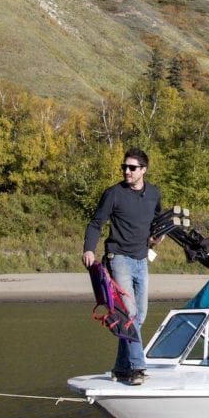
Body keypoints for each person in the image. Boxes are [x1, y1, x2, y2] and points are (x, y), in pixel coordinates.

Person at [82, 148, 162, 385]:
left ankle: (120, 367)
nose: (127, 171)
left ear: (143, 170)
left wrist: (156, 238)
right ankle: (137, 368)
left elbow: (156, 224)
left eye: (132, 168)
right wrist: (88, 248)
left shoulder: (154, 194)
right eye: (124, 167)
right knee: (129, 314)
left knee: (139, 316)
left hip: (141, 259)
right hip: (118, 259)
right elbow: (96, 222)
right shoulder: (114, 193)